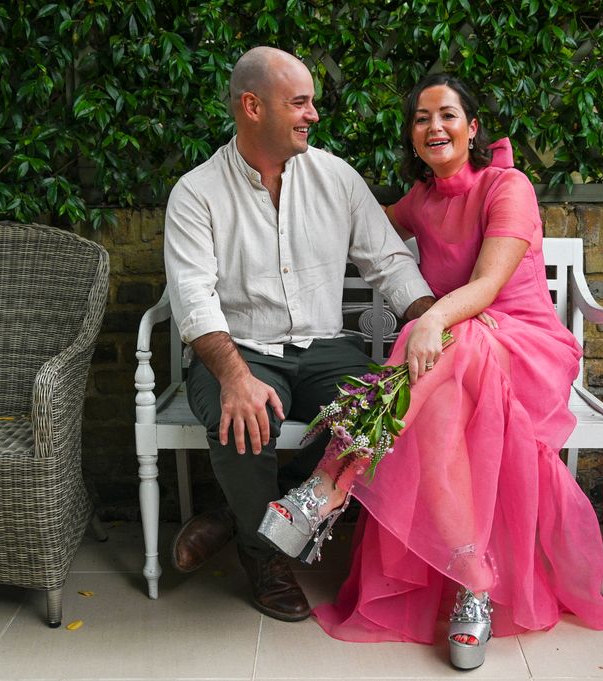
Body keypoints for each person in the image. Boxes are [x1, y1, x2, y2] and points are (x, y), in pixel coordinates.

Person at [257, 73, 603, 668]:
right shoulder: (421, 200)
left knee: (437, 334)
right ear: (412, 138)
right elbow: (355, 226)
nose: (434, 126)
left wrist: (433, 321)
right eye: (421, 119)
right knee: (437, 418)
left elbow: (487, 286)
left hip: (524, 347)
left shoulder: (506, 186)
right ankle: (473, 582)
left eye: (447, 115)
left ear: (471, 127)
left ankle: (330, 484)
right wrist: (281, 209)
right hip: (452, 362)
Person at [163, 46, 435, 623]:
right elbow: (193, 297)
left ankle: (232, 514)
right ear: (253, 106)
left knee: (385, 408)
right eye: (300, 102)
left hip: (325, 347)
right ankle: (263, 556)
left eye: (313, 101)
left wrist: (433, 316)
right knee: (245, 417)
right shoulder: (196, 192)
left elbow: (388, 261)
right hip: (240, 350)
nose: (314, 113)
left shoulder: (336, 177)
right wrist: (234, 376)